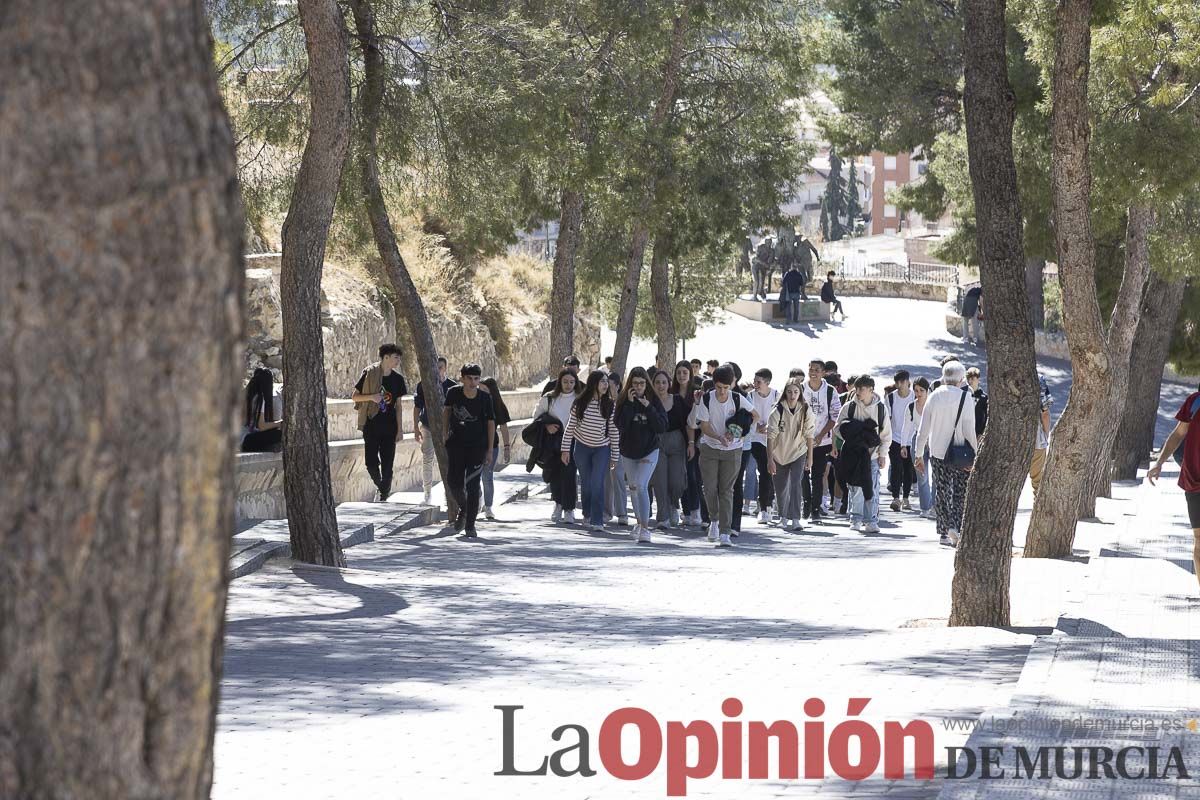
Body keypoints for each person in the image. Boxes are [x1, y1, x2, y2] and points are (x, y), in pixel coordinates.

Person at [915, 360, 978, 547]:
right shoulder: (966, 397)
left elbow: (923, 429)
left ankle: (943, 531)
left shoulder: (934, 396)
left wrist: (918, 454)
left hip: (938, 452)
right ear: (961, 379)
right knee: (959, 491)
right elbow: (969, 428)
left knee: (941, 490)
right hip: (960, 452)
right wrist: (974, 453)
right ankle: (955, 526)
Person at [695, 365, 759, 548]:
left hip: (733, 451)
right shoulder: (706, 399)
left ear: (732, 384)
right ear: (714, 384)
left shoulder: (738, 398)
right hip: (710, 448)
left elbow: (755, 415)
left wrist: (744, 434)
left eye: (726, 387)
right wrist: (719, 437)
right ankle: (713, 520)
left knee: (726, 490)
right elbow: (704, 426)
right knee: (709, 488)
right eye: (719, 387)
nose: (722, 391)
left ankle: (725, 532)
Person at [1147, 387, 1200, 591]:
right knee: (1198, 539)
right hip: (1194, 480)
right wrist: (1159, 462)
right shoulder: (1194, 402)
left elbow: (1179, 434)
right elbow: (1178, 434)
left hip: (1192, 480)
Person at [562, 370, 621, 532]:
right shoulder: (579, 403)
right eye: (602, 381)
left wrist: (615, 456)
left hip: (602, 448)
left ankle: (597, 520)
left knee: (597, 483)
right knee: (587, 484)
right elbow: (570, 427)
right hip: (581, 448)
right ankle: (587, 513)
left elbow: (614, 431)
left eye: (606, 381)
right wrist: (565, 450)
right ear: (593, 383)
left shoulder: (610, 404)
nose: (605, 384)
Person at [443, 364, 495, 538]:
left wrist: (489, 450)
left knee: (473, 485)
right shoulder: (453, 393)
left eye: (476, 379)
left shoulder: (485, 398)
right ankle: (464, 509)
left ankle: (470, 525)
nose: (473, 382)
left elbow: (490, 423)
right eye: (470, 378)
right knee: (453, 482)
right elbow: (447, 412)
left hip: (476, 447)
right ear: (462, 378)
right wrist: (444, 433)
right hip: (456, 445)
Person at [615, 368, 668, 543]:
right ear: (630, 384)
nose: (638, 387)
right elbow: (620, 426)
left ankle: (645, 528)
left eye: (642, 383)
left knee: (641, 484)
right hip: (629, 451)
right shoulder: (623, 401)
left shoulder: (653, 400)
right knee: (634, 488)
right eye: (635, 383)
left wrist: (649, 407)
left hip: (649, 450)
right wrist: (630, 404)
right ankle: (639, 522)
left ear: (647, 384)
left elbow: (661, 426)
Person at [352, 343, 408, 502]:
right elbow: (355, 396)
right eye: (396, 358)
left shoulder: (398, 380)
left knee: (388, 464)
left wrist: (400, 429)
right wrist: (371, 397)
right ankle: (382, 487)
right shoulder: (369, 373)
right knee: (370, 463)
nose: (398, 361)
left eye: (399, 358)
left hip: (390, 426)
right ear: (386, 357)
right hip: (371, 424)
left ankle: (384, 494)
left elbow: (398, 407)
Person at [836, 375, 890, 533]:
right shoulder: (849, 407)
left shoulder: (881, 409)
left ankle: (871, 520)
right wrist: (857, 433)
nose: (858, 392)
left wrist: (882, 454)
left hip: (872, 456)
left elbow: (886, 434)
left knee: (871, 487)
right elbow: (838, 429)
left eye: (861, 389)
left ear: (871, 390)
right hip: (853, 454)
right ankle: (856, 518)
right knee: (855, 487)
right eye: (856, 388)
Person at [767, 378, 815, 531]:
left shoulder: (806, 409)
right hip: (779, 453)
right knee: (781, 487)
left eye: (796, 392)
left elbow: (809, 434)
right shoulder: (777, 410)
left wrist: (810, 457)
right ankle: (783, 516)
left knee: (795, 483)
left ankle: (795, 518)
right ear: (785, 393)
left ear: (800, 392)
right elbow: (770, 436)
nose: (792, 395)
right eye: (789, 392)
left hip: (798, 452)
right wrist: (770, 459)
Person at [535, 369, 580, 523]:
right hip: (553, 441)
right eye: (565, 381)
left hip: (573, 440)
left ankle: (569, 509)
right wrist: (547, 427)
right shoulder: (549, 398)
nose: (568, 385)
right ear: (560, 382)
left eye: (572, 382)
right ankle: (558, 504)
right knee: (554, 473)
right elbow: (537, 418)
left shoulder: (580, 399)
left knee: (569, 472)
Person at [413, 356, 457, 504]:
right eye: (435, 367)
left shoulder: (453, 387)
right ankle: (427, 494)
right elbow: (417, 407)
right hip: (427, 426)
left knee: (448, 461)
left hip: (448, 430)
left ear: (445, 368)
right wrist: (415, 427)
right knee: (427, 459)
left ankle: (449, 494)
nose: (437, 371)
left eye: (440, 367)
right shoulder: (423, 385)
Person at [802, 359, 842, 522]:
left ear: (823, 372)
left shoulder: (830, 391)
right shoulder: (800, 388)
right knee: (802, 474)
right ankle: (806, 503)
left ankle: (816, 509)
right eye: (811, 369)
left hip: (822, 441)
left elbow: (835, 418)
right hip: (802, 441)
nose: (813, 372)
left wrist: (820, 436)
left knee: (818, 475)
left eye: (817, 370)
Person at [650, 369, 690, 529]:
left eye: (664, 382)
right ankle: (663, 516)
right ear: (653, 385)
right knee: (659, 481)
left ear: (669, 384)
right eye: (657, 382)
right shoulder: (649, 402)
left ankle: (674, 504)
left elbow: (688, 423)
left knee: (677, 480)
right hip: (656, 443)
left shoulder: (678, 400)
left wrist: (692, 444)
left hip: (676, 442)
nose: (661, 385)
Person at [671, 361, 703, 526]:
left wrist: (694, 441)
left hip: (694, 440)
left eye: (685, 372)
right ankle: (686, 511)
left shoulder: (696, 393)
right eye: (679, 373)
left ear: (690, 374)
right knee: (680, 476)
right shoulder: (671, 392)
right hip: (675, 439)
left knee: (693, 475)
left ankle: (696, 510)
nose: (682, 376)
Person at [747, 369, 779, 523]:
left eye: (758, 382)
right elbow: (747, 415)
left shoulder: (776, 395)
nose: (755, 384)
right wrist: (756, 427)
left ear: (767, 383)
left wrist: (771, 426)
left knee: (771, 473)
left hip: (772, 440)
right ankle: (764, 508)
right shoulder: (750, 395)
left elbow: (781, 417)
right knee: (764, 470)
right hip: (756, 439)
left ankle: (769, 503)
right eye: (754, 381)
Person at [479, 377, 512, 520]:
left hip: (491, 446)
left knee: (487, 477)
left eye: (484, 389)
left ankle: (488, 507)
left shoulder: (498, 405)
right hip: (474, 446)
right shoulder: (475, 402)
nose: (480, 391)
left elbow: (504, 427)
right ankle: (478, 499)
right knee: (471, 477)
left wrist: (507, 447)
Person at [901, 377, 934, 517]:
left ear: (927, 391)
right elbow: (906, 427)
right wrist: (903, 445)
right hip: (917, 441)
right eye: (916, 390)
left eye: (922, 390)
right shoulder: (911, 407)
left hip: (933, 440)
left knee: (937, 475)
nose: (918, 393)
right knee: (922, 475)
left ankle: (936, 506)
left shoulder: (933, 405)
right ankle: (925, 507)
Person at [885, 370, 916, 512]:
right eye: (897, 382)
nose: (899, 385)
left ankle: (906, 498)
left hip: (912, 438)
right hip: (895, 438)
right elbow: (887, 418)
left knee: (908, 469)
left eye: (902, 382)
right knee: (896, 467)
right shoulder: (891, 398)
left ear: (907, 381)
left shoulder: (915, 396)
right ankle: (896, 498)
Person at [603, 370, 630, 525]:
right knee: (607, 479)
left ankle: (622, 513)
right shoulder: (601, 402)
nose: (607, 387)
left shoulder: (623, 403)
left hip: (619, 446)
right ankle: (607, 512)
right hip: (603, 445)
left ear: (618, 386)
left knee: (618, 478)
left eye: (610, 385)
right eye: (605, 384)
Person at [241, 368, 283, 453]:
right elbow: (262, 426)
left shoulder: (245, 394)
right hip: (246, 441)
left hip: (238, 439)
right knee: (279, 434)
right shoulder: (259, 399)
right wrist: (281, 423)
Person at [1030, 374, 1053, 499]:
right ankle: (1037, 511)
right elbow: (1045, 413)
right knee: (1038, 482)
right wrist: (1046, 432)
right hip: (1036, 439)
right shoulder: (1039, 379)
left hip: (1010, 440)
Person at [966, 367, 989, 436]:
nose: (970, 381)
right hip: (964, 430)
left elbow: (986, 416)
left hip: (977, 431)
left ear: (978, 380)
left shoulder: (984, 397)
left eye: (973, 379)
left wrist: (981, 433)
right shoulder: (963, 394)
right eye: (968, 379)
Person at [752, 236, 775, 300]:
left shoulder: (772, 251)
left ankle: (761, 292)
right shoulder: (760, 247)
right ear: (765, 242)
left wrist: (771, 266)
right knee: (756, 281)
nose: (769, 244)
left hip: (764, 268)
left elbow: (771, 261)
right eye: (767, 242)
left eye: (770, 242)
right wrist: (763, 263)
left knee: (762, 282)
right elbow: (756, 258)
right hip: (756, 266)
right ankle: (755, 296)